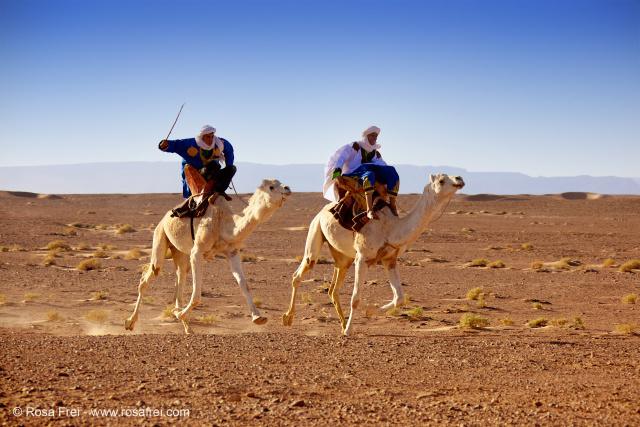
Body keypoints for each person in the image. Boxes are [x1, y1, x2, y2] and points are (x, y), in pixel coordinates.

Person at [323, 126, 400, 219]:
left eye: (376, 136)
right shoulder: (355, 146)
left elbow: (382, 165)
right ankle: (369, 210)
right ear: (366, 136)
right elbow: (340, 158)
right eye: (372, 135)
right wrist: (337, 174)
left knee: (391, 170)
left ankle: (392, 205)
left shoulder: (374, 152)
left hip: (369, 170)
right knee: (369, 174)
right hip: (353, 172)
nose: (375, 138)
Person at [159, 125, 236, 200]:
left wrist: (228, 167)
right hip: (196, 174)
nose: (211, 139)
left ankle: (218, 191)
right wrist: (164, 145)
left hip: (213, 174)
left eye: (212, 136)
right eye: (208, 137)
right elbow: (175, 145)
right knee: (214, 165)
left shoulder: (219, 143)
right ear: (202, 136)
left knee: (231, 169)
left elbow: (229, 151)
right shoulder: (190, 144)